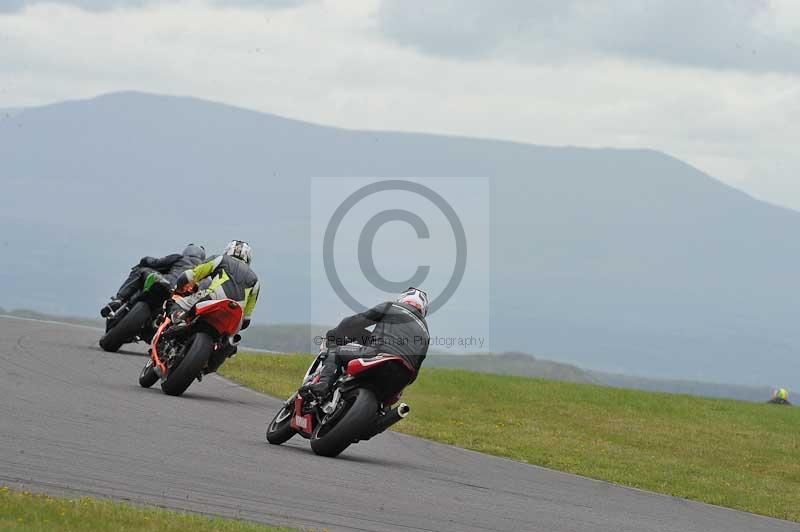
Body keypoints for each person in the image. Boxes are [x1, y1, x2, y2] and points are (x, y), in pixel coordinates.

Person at [301, 287, 430, 398]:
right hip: (403, 376)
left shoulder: (392, 306)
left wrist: (333, 335)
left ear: (403, 299)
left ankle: (323, 385)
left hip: (378, 354)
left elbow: (355, 322)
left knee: (336, 353)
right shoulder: (426, 332)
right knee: (384, 406)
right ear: (423, 310)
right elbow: (415, 371)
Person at [171, 240, 260, 373]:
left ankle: (178, 324)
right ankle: (212, 361)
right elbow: (246, 319)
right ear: (248, 258)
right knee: (230, 343)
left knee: (178, 303)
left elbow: (192, 275)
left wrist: (180, 286)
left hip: (213, 298)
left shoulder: (221, 259)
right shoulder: (255, 281)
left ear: (227, 251)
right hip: (236, 314)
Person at [101, 243, 206, 317]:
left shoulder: (179, 258)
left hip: (166, 284)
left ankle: (119, 300)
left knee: (141, 271)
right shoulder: (205, 270)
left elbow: (155, 263)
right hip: (183, 298)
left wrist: (145, 260)